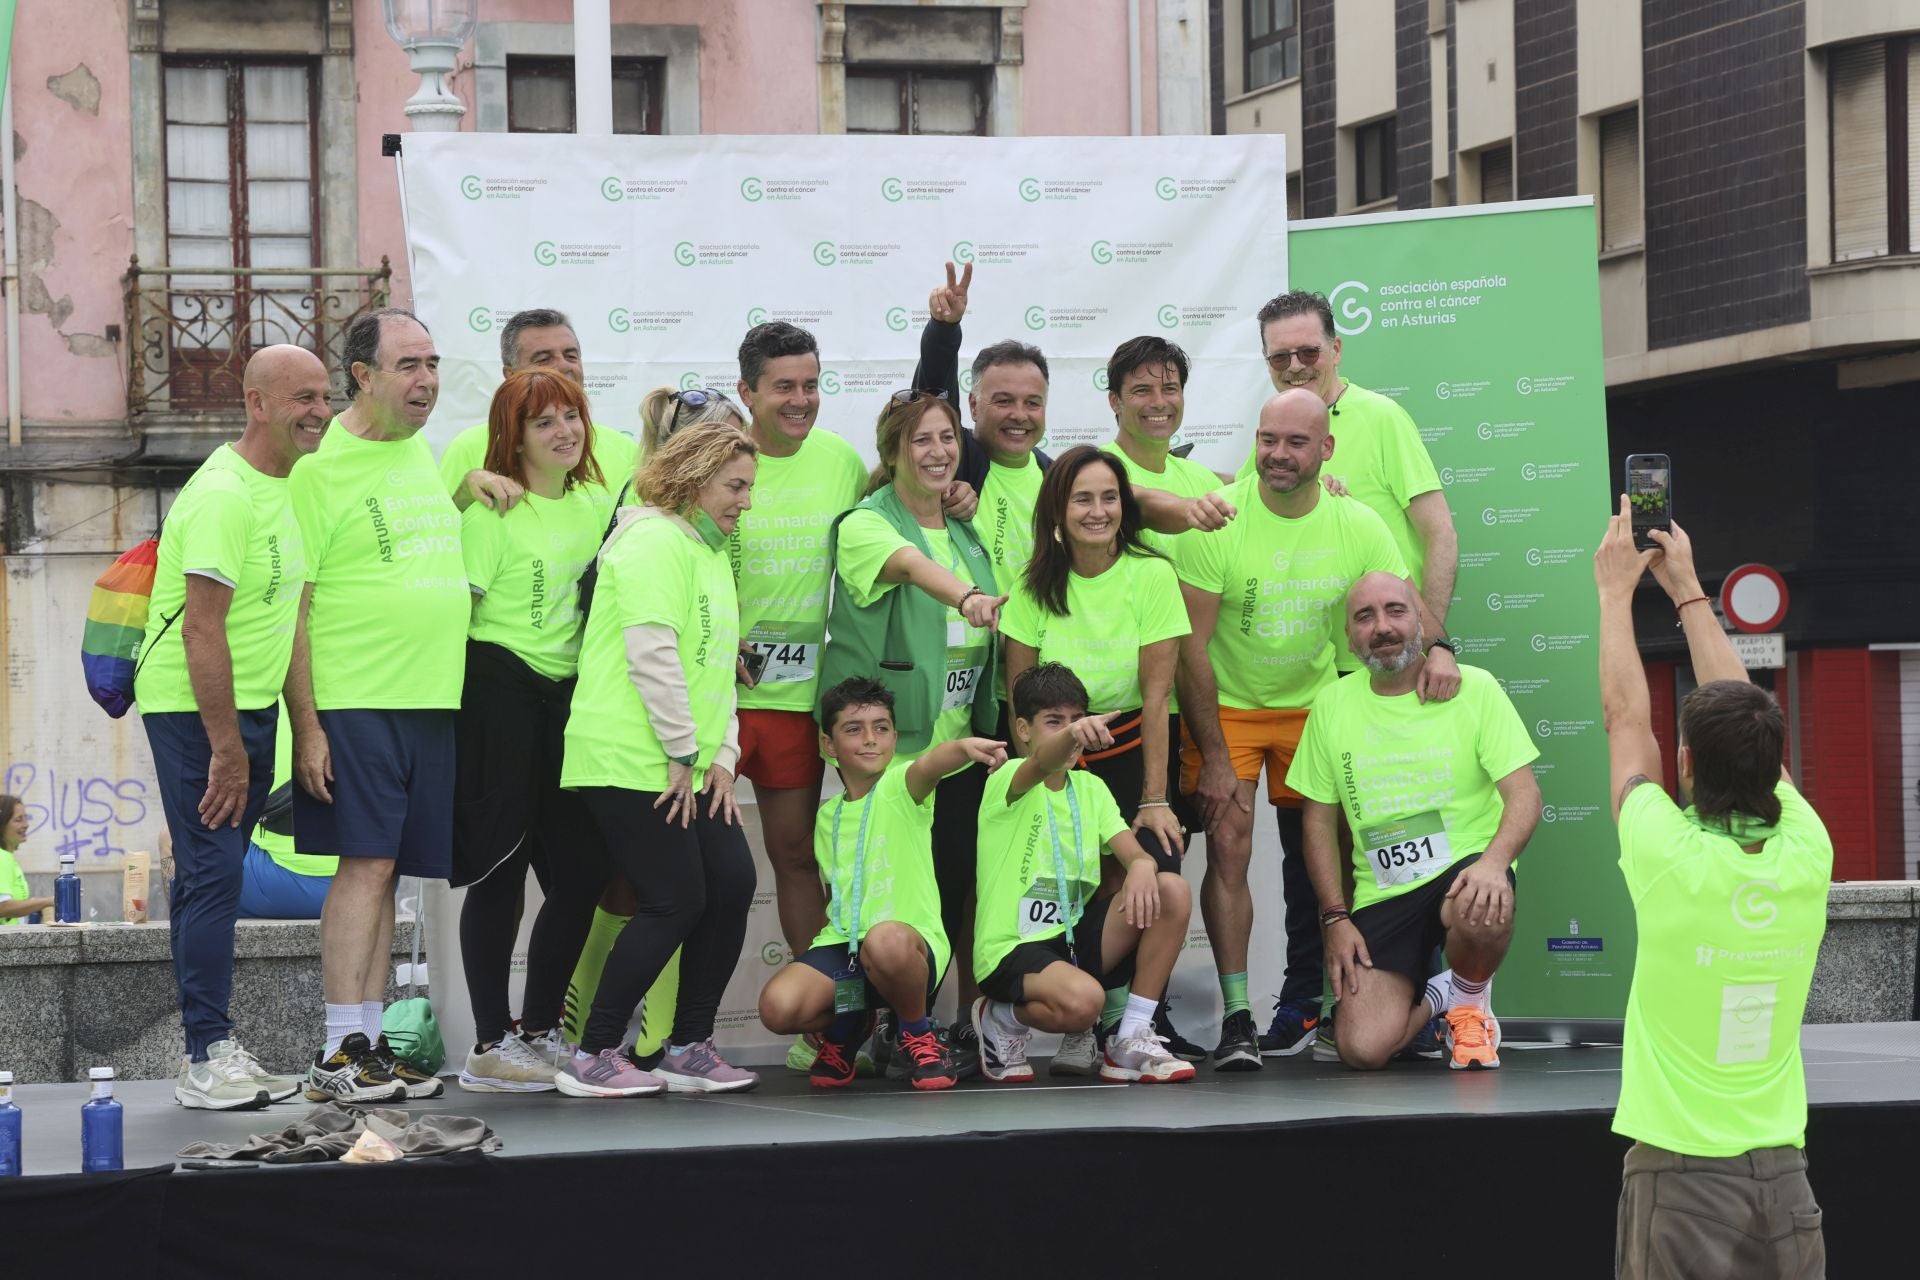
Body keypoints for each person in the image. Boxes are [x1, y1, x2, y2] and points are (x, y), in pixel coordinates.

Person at [1175, 388, 1461, 1071]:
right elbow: (1192, 650)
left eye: (1296, 442)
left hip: (1316, 704)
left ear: (1326, 449)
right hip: (1230, 705)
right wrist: (1215, 754)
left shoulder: (1357, 522)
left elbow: (1402, 602)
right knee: (1229, 845)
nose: (1278, 454)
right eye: (1267, 439)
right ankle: (1238, 1018)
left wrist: (1444, 648)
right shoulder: (1219, 520)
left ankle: (1341, 1007)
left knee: (1338, 853)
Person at [1595, 501, 1830, 1279]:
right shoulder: (1808, 849)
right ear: (1776, 765)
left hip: (1682, 1182)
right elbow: (1741, 720)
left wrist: (1615, 594)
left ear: (1687, 766)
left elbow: (1625, 720)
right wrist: (1689, 590)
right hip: (1786, 1181)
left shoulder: (1670, 857)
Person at [135, 344, 330, 1111]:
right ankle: (207, 1057)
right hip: (192, 707)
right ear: (257, 403)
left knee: (205, 873)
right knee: (217, 872)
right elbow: (201, 630)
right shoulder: (223, 493)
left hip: (250, 707)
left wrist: (305, 727)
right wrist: (225, 749)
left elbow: (290, 623)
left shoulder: (294, 488)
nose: (319, 412)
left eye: (324, 396)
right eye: (302, 398)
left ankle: (211, 1049)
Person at [289, 309, 464, 1104]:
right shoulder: (317, 470)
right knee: (363, 866)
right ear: (362, 376)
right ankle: (335, 1050)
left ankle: (365, 1041)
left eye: (432, 363)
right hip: (357, 698)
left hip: (431, 698)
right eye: (408, 366)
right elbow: (294, 608)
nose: (427, 380)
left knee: (387, 873)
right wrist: (309, 726)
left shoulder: (422, 453)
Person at [557, 423, 761, 1098]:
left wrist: (722, 757)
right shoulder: (650, 541)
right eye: (735, 486)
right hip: (626, 757)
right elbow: (652, 655)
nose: (745, 502)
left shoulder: (709, 551)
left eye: (748, 488)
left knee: (731, 884)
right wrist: (682, 751)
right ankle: (593, 1054)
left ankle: (688, 1046)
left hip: (687, 762)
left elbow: (717, 669)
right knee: (675, 899)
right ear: (693, 481)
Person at [1287, 572, 1540, 1071]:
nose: (1382, 627)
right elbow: (1317, 823)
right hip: (1385, 890)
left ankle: (1470, 1004)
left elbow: (1525, 794)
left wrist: (1494, 864)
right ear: (1348, 638)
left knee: (1480, 906)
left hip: (1464, 866)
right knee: (1362, 1050)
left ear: (1421, 622)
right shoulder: (1331, 704)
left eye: (1396, 611)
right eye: (1365, 617)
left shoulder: (1476, 688)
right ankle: (1447, 993)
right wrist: (1335, 917)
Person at [1000, 444, 1192, 1071]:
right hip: (1056, 760)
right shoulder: (1030, 587)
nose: (1098, 510)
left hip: (1133, 752)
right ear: (1058, 509)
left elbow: (1158, 697)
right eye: (1082, 498)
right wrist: (1044, 775)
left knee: (1156, 877)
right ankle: (1080, 1024)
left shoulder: (1152, 575)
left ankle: (1129, 1028)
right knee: (1076, 888)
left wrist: (1155, 799)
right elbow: (1020, 704)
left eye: (1110, 497)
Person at [819, 391, 1007, 1031]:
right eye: (921, 440)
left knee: (951, 891)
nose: (938, 451)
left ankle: (941, 1028)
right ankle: (869, 1028)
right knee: (887, 903)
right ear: (893, 452)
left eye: (947, 438)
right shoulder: (865, 523)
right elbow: (911, 567)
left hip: (959, 745)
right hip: (892, 754)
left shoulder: (964, 526)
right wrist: (968, 597)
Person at [452, 369, 617, 1094]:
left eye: (571, 416)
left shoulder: (597, 506)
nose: (564, 432)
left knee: (581, 873)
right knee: (500, 870)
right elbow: (454, 617)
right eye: (544, 422)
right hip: (497, 688)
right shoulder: (491, 512)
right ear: (513, 437)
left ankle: (541, 1028)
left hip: (570, 698)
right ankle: (490, 1042)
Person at [758, 677, 1005, 1090]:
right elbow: (838, 898)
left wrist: (963, 748)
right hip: (849, 947)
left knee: (885, 939)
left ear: (894, 738)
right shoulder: (828, 816)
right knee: (778, 1008)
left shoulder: (900, 787)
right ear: (829, 744)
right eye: (854, 729)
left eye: (882, 727)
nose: (871, 739)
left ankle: (917, 1033)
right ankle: (852, 1023)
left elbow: (932, 764)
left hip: (905, 946)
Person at [969, 664, 1197, 1085]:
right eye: (1054, 722)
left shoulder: (1091, 788)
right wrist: (1073, 734)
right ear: (1023, 729)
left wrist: (1142, 865)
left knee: (1172, 889)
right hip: (1012, 948)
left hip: (1071, 941)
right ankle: (999, 1016)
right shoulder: (1007, 778)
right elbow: (1042, 761)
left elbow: (1132, 851)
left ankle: (1130, 1036)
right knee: (1085, 1004)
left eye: (1077, 720)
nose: (1072, 733)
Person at [437, 308, 639, 513]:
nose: (563, 366)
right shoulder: (467, 448)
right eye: (543, 359)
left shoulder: (624, 449)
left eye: (570, 356)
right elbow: (445, 523)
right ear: (511, 375)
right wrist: (465, 493)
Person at [236, 710, 337, 920]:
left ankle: (184, 927)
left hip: (284, 884)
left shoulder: (263, 707)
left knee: (171, 839)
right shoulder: (357, 712)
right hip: (372, 886)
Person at [0, 796, 53, 924]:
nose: (26, 824)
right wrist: (47, 902)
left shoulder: (8, 857)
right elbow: (2, 907)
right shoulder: (2, 857)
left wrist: (32, 905)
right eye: (18, 819)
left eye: (26, 818)